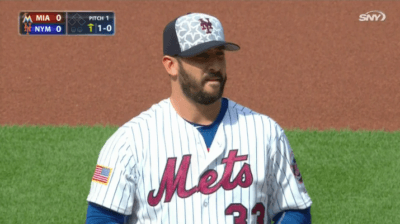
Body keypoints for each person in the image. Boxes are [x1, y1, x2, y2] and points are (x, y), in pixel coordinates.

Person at [85, 12, 312, 224]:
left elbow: (293, 209)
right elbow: (102, 218)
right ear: (171, 65)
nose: (214, 65)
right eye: (201, 56)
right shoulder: (130, 143)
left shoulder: (265, 132)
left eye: (219, 55)